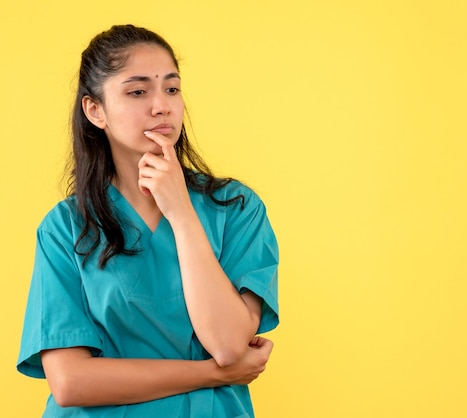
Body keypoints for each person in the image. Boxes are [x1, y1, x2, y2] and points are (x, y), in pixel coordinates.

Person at [17, 24, 279, 417]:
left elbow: (227, 344)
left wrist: (181, 213)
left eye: (171, 89)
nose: (162, 105)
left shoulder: (236, 209)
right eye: (138, 91)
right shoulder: (66, 227)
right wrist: (210, 374)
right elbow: (70, 382)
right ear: (95, 110)